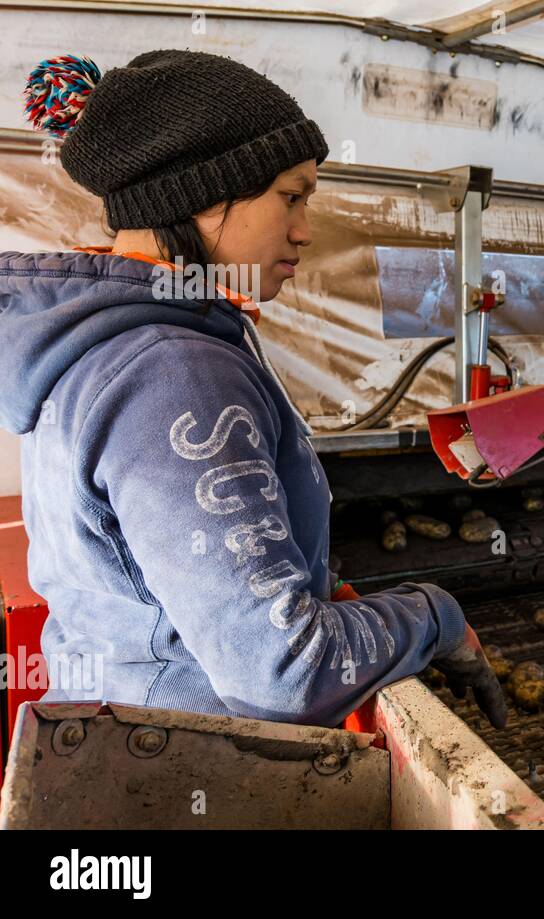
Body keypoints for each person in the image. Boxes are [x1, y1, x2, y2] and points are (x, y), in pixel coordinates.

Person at [0, 50, 507, 729]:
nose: (304, 229)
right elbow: (284, 672)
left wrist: (325, 598)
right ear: (202, 196)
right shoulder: (175, 372)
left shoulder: (99, 342)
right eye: (291, 196)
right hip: (184, 770)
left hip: (112, 744)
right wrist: (436, 618)